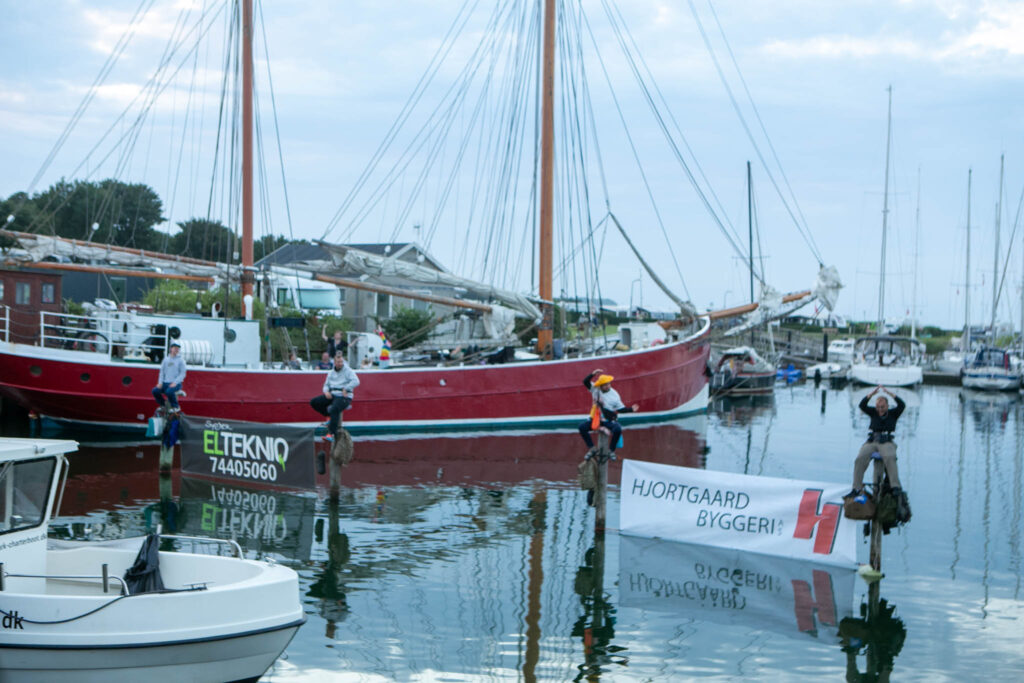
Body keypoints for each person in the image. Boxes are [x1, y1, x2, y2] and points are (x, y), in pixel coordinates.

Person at [849, 386, 905, 501]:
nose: (880, 410)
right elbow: (862, 405)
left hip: (886, 442)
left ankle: (895, 486)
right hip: (872, 441)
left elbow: (902, 405)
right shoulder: (873, 412)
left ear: (887, 406)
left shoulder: (893, 413)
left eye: (882, 407)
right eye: (878, 407)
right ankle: (856, 488)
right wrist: (871, 394)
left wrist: (890, 393)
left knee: (890, 457)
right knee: (860, 458)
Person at [577, 368, 638, 455]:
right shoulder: (595, 389)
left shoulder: (614, 395)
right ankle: (592, 448)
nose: (608, 386)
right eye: (605, 385)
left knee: (617, 429)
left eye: (608, 384)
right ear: (600, 385)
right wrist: (593, 374)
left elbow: (620, 409)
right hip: (596, 419)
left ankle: (611, 450)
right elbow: (585, 382)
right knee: (582, 427)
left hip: (608, 420)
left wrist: (631, 410)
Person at [310, 351, 360, 441]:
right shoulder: (331, 373)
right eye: (338, 362)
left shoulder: (348, 371)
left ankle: (331, 434)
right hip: (333, 394)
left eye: (341, 362)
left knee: (334, 408)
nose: (340, 364)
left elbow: (356, 381)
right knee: (314, 402)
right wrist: (326, 392)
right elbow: (326, 385)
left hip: (344, 396)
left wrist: (346, 388)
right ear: (334, 363)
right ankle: (329, 416)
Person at [152, 341, 186, 414]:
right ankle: (163, 405)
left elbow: (182, 374)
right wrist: (160, 383)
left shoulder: (181, 361)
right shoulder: (166, 360)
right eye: (175, 348)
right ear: (171, 349)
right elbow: (162, 372)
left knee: (169, 392)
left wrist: (175, 383)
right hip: (165, 383)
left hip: (176, 384)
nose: (176, 350)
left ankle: (176, 407)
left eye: (178, 349)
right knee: (155, 391)